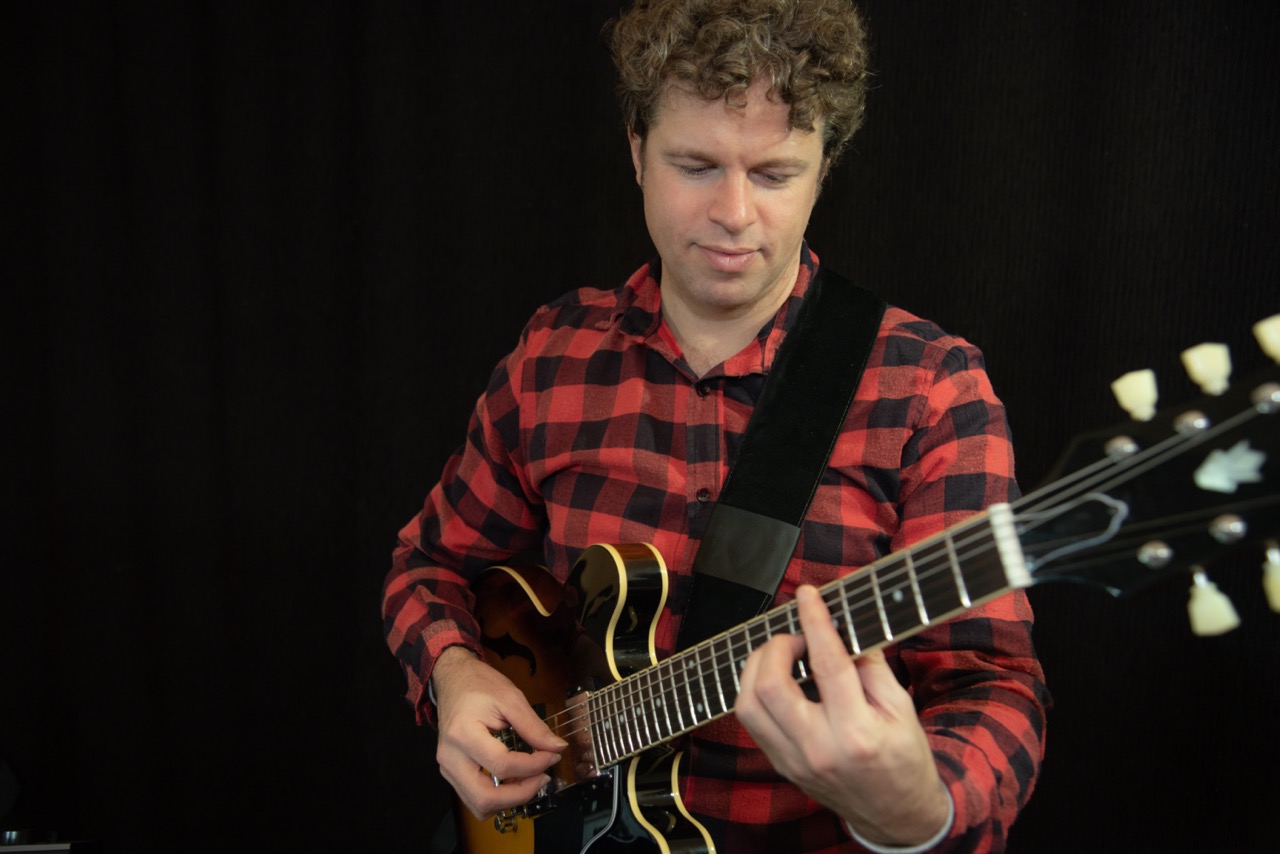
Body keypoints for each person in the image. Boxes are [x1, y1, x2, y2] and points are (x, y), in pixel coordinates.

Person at [383, 0, 1050, 851]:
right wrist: (455, 673)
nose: (733, 213)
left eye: (774, 174)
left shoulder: (930, 387)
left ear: (825, 167)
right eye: (695, 166)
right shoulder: (554, 353)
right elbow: (429, 564)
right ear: (636, 151)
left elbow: (991, 681)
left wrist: (920, 807)